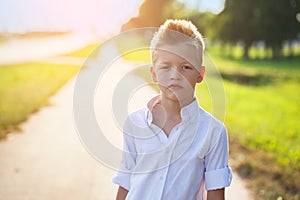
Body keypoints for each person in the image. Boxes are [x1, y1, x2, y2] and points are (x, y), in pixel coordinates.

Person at [112, 19, 232, 200]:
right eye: (166, 67)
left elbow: (215, 195)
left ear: (200, 74)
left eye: (185, 67)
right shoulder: (135, 123)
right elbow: (125, 183)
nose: (175, 76)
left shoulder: (213, 133)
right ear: (153, 73)